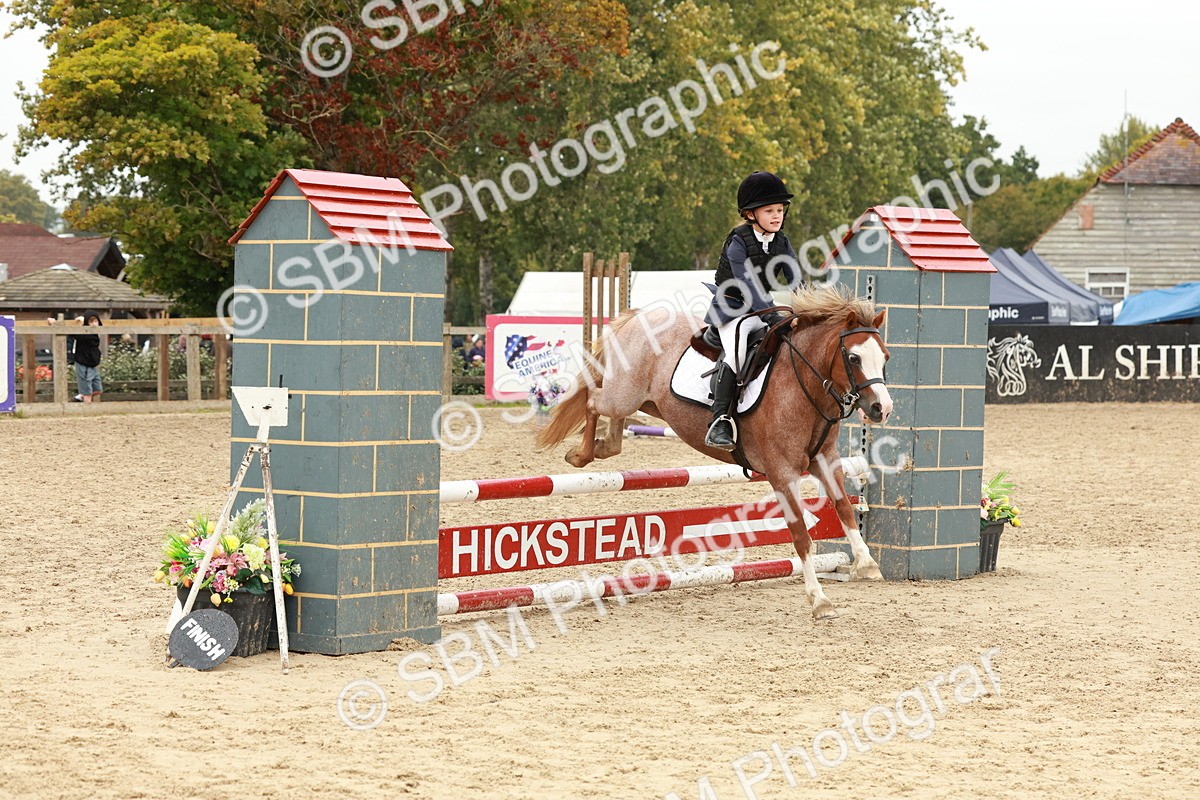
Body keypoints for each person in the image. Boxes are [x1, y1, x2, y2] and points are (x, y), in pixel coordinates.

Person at [702, 171, 801, 450]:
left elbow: (796, 279)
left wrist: (808, 310)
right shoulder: (738, 241)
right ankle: (719, 420)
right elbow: (745, 283)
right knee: (736, 353)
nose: (777, 215)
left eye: (780, 210)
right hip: (732, 307)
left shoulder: (781, 242)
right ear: (749, 214)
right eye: (769, 210)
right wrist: (773, 315)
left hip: (761, 305)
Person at [67, 310, 105, 403]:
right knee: (87, 392)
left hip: (93, 364)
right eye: (91, 321)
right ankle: (86, 409)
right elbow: (70, 333)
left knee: (98, 390)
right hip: (83, 362)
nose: (94, 324)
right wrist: (80, 323)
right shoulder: (82, 334)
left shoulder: (95, 334)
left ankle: (81, 396)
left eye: (95, 321)